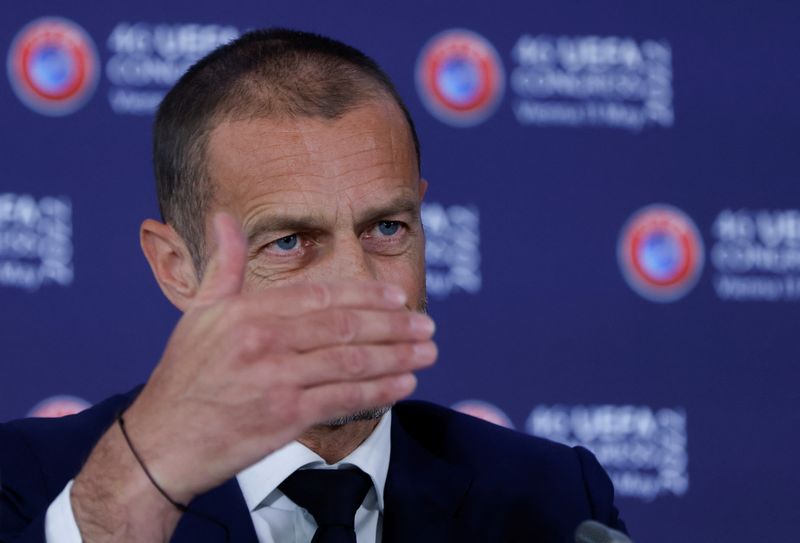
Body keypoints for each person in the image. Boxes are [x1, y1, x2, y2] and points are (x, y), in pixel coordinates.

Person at [0, 29, 627, 542]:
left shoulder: (554, 500)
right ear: (177, 267)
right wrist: (128, 498)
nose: (361, 286)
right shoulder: (31, 484)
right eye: (290, 242)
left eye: (386, 227)